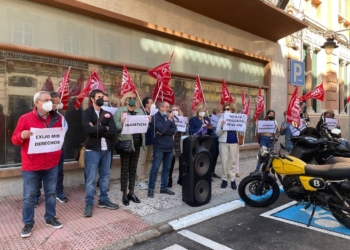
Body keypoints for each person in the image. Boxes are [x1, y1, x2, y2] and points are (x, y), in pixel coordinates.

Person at [12, 91, 64, 238]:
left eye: (51, 100)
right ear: (37, 103)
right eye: (46, 100)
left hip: (51, 164)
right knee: (29, 196)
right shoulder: (25, 118)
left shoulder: (57, 118)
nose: (50, 102)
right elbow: (14, 139)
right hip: (32, 165)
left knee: (51, 193)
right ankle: (28, 222)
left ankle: (50, 217)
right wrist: (21, 136)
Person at [83, 89, 119, 217]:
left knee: (105, 176)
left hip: (107, 150)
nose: (101, 99)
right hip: (92, 150)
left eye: (102, 97)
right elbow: (88, 129)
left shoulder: (107, 113)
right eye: (99, 97)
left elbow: (113, 131)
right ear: (92, 98)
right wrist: (104, 128)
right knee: (90, 179)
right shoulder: (87, 113)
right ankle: (89, 203)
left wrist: (97, 129)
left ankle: (103, 200)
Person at [35, 92, 69, 207]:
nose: (57, 105)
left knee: (59, 172)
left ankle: (58, 191)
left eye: (58, 102)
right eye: (55, 102)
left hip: (56, 150)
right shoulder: (35, 116)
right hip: (40, 151)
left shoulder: (59, 117)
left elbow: (65, 130)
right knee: (38, 173)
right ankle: (36, 195)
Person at [114, 92, 146, 206]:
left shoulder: (140, 111)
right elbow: (115, 127)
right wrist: (121, 124)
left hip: (137, 143)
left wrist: (148, 121)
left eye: (134, 98)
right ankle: (124, 194)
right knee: (125, 169)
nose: (132, 100)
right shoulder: (120, 111)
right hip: (126, 143)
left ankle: (131, 192)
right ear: (126, 100)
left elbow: (144, 126)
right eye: (130, 98)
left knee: (133, 168)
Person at [147, 101, 177, 198]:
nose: (169, 109)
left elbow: (174, 130)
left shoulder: (169, 117)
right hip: (159, 147)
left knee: (166, 169)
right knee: (155, 168)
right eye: (167, 107)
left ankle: (163, 188)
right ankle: (151, 188)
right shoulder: (155, 118)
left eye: (169, 107)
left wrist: (164, 131)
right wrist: (168, 122)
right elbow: (162, 129)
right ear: (161, 108)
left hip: (169, 147)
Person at [216, 103, 238, 189]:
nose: (226, 111)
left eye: (228, 109)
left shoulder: (236, 119)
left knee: (233, 161)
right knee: (224, 161)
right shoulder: (221, 119)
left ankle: (232, 180)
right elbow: (217, 133)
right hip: (223, 142)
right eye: (225, 109)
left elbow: (241, 133)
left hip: (233, 142)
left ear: (232, 110)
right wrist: (222, 126)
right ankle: (224, 179)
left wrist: (243, 127)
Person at [6, 98, 32, 163]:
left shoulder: (14, 112)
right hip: (31, 137)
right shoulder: (31, 112)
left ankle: (19, 169)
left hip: (18, 136)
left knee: (18, 155)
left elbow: (9, 125)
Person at [136, 97, 153, 190]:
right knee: (141, 160)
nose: (153, 103)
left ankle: (146, 177)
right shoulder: (141, 113)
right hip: (144, 140)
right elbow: (139, 126)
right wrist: (147, 122)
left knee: (148, 160)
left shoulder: (153, 114)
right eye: (151, 102)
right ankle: (140, 179)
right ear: (146, 104)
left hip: (151, 140)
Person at [168, 104, 185, 187]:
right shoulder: (169, 118)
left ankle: (181, 178)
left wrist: (186, 125)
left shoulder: (182, 118)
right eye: (173, 109)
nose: (175, 111)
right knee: (171, 160)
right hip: (172, 140)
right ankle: (169, 178)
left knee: (181, 160)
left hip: (180, 140)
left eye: (176, 109)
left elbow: (186, 131)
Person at [210, 105, 223, 179]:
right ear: (217, 112)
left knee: (215, 157)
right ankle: (209, 172)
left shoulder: (222, 119)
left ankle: (212, 171)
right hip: (213, 140)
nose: (221, 113)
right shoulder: (211, 119)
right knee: (212, 156)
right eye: (220, 112)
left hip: (219, 139)